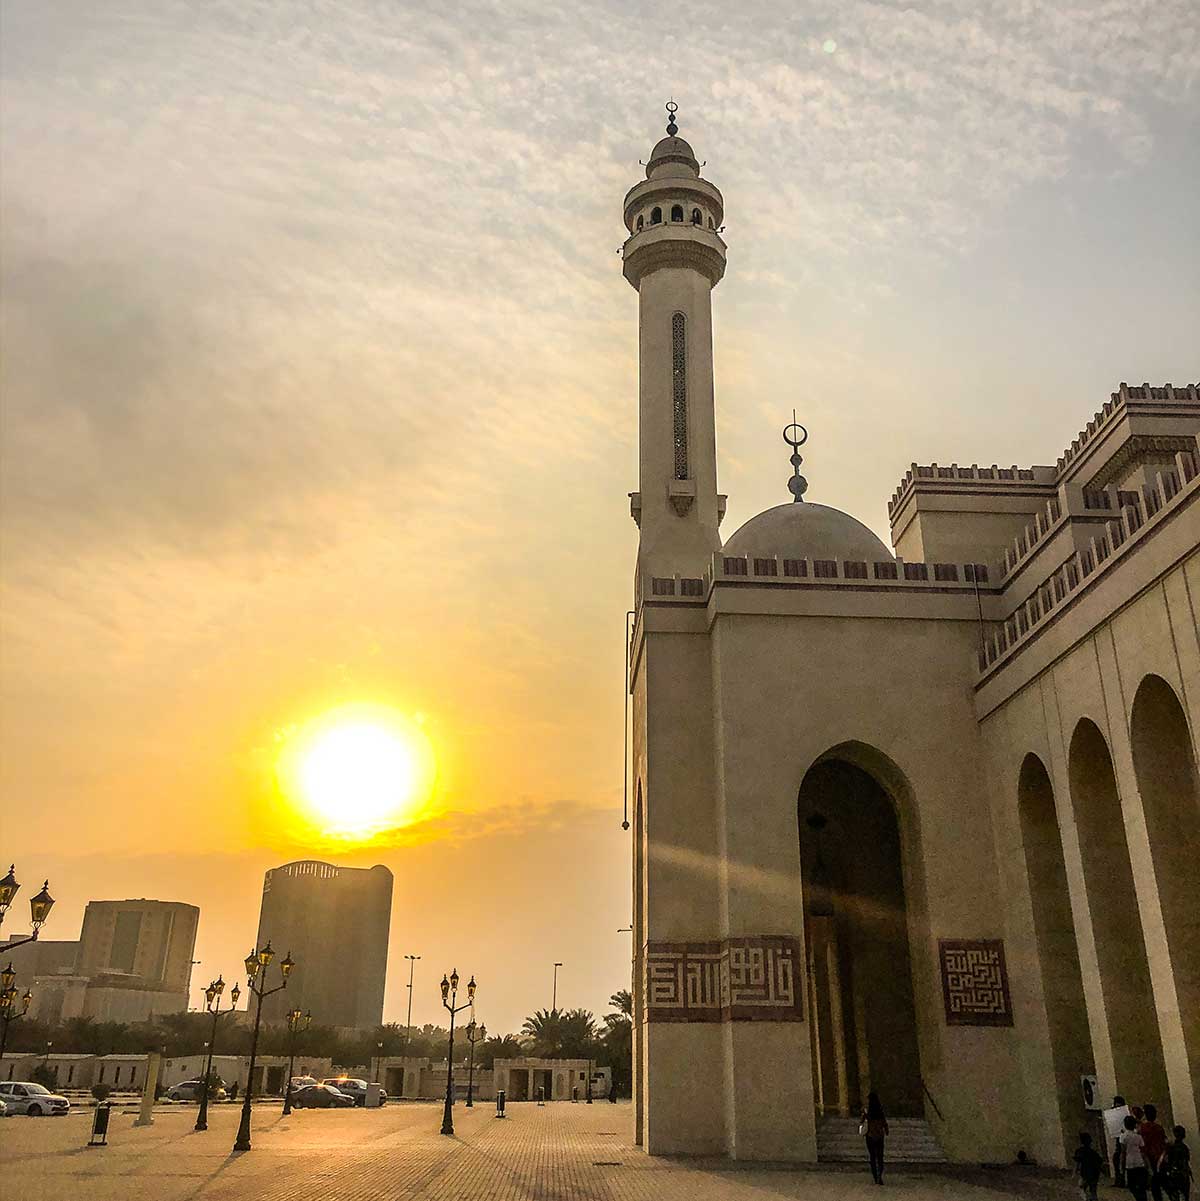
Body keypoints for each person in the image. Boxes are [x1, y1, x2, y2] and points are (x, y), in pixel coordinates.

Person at [1142, 1105, 1169, 1201]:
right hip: (1160, 1157)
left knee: (1155, 1185)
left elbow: (1144, 1146)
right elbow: (1164, 1141)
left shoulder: (1144, 1128)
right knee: (1163, 1182)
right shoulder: (1158, 1127)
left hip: (1151, 1157)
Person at [862, 1091, 889, 1186]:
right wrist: (886, 1130)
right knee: (880, 1156)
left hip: (870, 1136)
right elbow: (884, 1122)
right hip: (879, 1136)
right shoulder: (880, 1111)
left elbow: (862, 1122)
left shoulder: (868, 1112)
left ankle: (875, 1176)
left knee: (872, 1157)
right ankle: (879, 1175)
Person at [1121, 1114, 1150, 1201]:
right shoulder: (1138, 1136)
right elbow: (1143, 1151)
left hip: (1129, 1163)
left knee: (1132, 1185)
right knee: (1142, 1186)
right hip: (1139, 1161)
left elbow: (1123, 1152)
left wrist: (1122, 1164)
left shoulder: (1123, 1136)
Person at [1108, 1098, 1133, 1187]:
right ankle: (1119, 1180)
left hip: (1125, 1142)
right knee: (1117, 1161)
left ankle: (1123, 1181)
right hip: (1119, 1143)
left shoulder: (1125, 1115)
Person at [1161, 1127, 1192, 1201]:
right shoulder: (1184, 1148)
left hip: (1173, 1173)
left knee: (1174, 1196)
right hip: (1182, 1174)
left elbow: (1165, 1159)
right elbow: (1185, 1161)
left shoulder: (1170, 1147)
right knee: (1185, 1196)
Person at [1075, 1131, 1103, 1201]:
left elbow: (1077, 1163)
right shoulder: (1093, 1152)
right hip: (1094, 1174)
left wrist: (1075, 1171)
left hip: (1085, 1173)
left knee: (1082, 1188)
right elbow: (1100, 1161)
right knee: (1093, 1190)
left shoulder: (1079, 1151)